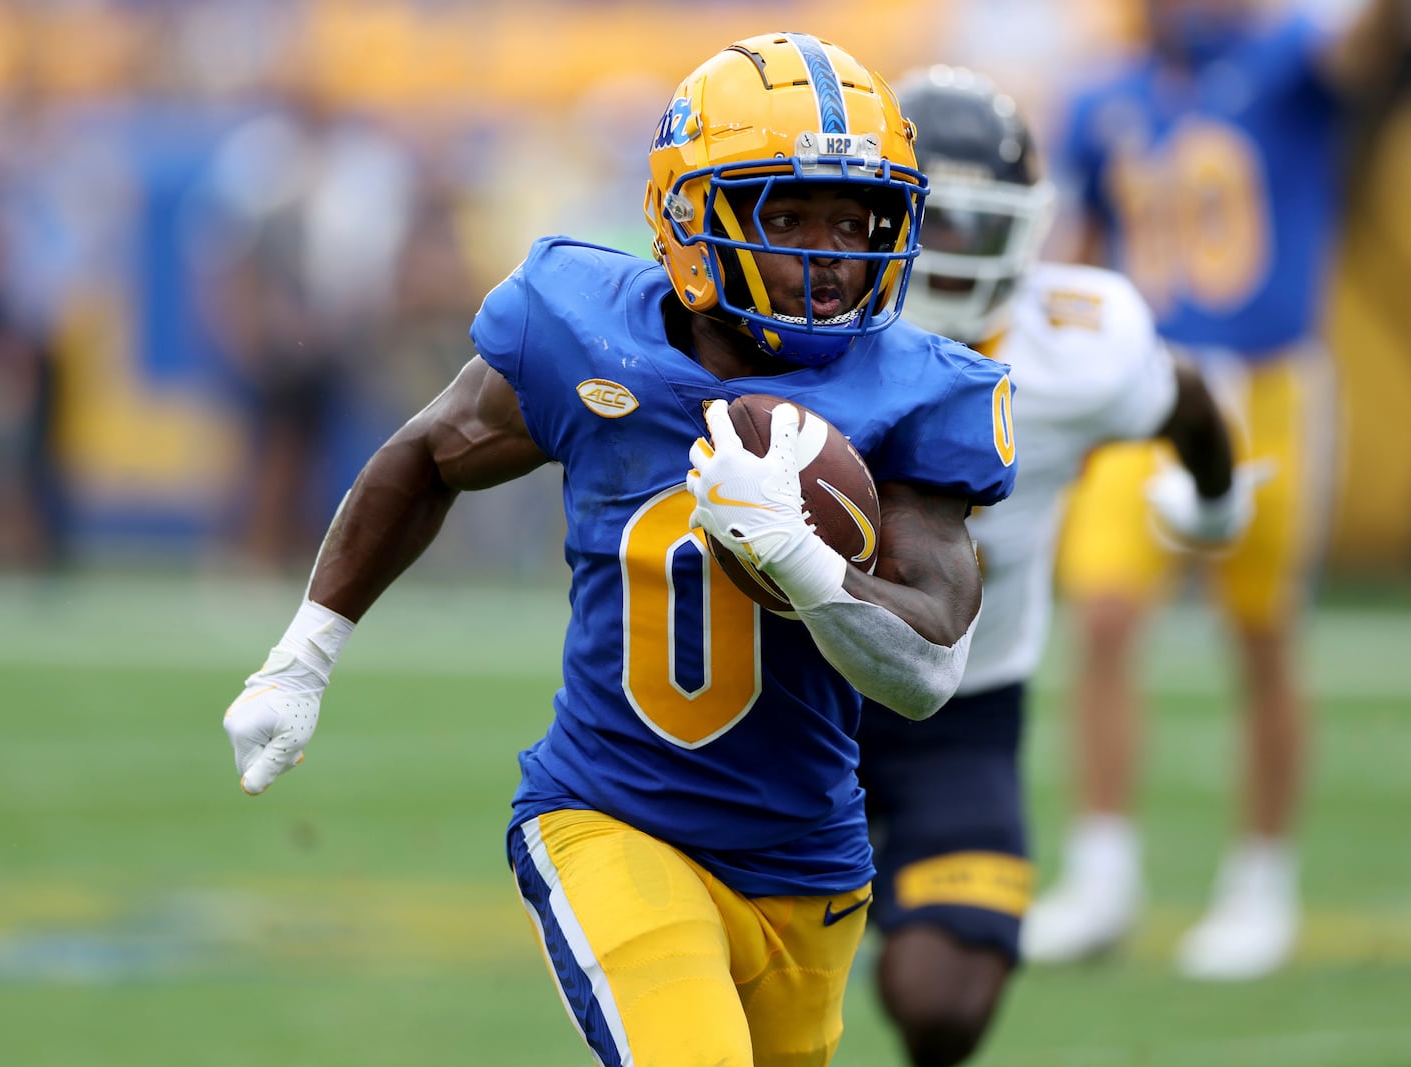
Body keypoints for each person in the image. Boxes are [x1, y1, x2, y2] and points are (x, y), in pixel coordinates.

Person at [220, 32, 1017, 1067]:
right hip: (612, 818)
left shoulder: (915, 388)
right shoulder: (587, 333)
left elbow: (927, 671)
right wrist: (305, 652)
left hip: (809, 863)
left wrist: (802, 562)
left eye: (856, 219)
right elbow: (426, 454)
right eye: (792, 216)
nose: (834, 255)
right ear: (694, 219)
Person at [855, 67, 1257, 1067]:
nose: (949, 250)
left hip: (962, 704)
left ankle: (874, 896)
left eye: (974, 224)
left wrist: (1214, 503)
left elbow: (1191, 402)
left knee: (942, 1006)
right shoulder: (802, 323)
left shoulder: (1082, 347)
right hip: (784, 698)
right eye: (930, 220)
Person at [1031, 0, 1411, 980]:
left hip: (1271, 390)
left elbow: (1368, 50)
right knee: (1106, 611)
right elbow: (1077, 251)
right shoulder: (1103, 93)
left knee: (1260, 633)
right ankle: (1102, 873)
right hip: (1148, 384)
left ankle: (1260, 884)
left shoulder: (1286, 58)